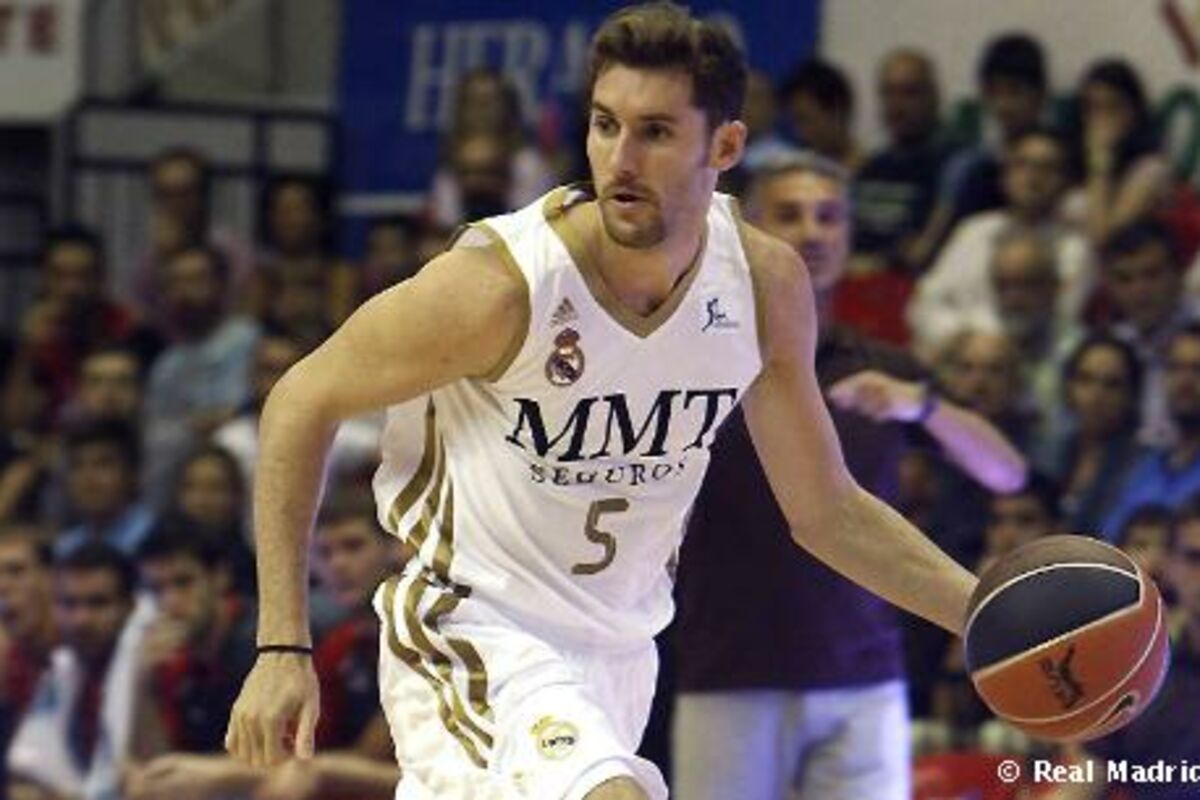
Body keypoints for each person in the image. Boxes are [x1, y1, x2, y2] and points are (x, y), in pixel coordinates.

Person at [224, 6, 978, 799]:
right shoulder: (502, 287)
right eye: (605, 124)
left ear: (724, 147)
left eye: (655, 132)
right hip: (477, 630)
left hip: (620, 655)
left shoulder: (762, 285)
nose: (620, 160)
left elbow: (826, 510)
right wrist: (282, 648)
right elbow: (301, 399)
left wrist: (984, 618)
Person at [671, 150, 1025, 800]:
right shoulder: (695, 361)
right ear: (748, 234)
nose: (812, 232)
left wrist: (922, 405)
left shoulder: (880, 366)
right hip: (726, 673)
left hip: (864, 678)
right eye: (790, 215)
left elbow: (1006, 473)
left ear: (850, 235)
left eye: (829, 216)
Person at [7, 542, 153, 800]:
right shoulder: (62, 668)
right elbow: (27, 765)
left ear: (130, 606)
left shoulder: (154, 664)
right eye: (69, 604)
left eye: (98, 603)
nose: (81, 620)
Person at [852, 48, 958, 273]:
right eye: (888, 93)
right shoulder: (870, 168)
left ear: (934, 97)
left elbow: (920, 253)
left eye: (910, 93)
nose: (897, 105)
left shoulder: (954, 169)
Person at [1103, 323, 1200, 537]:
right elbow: (1110, 537)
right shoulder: (1145, 467)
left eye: (1197, 369)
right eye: (1175, 368)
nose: (1185, 381)